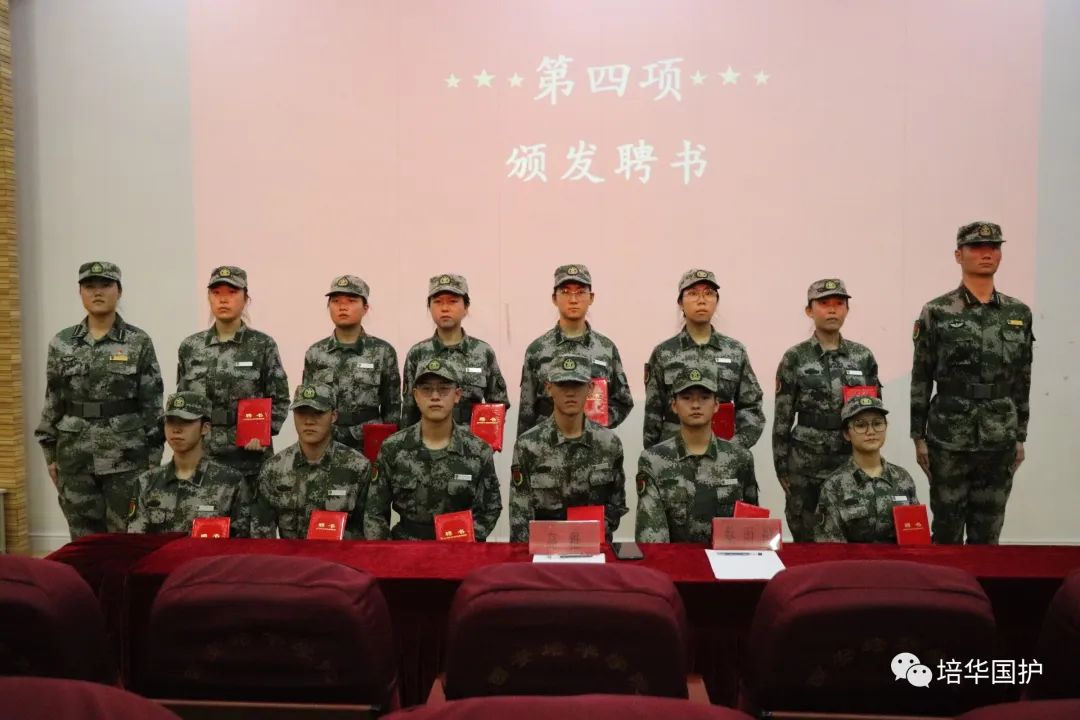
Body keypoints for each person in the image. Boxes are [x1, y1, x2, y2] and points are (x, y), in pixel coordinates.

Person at [911, 221, 1034, 544]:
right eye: (977, 248)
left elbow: (1023, 377)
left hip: (999, 433)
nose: (986, 253)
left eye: (993, 247)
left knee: (989, 531)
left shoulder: (1018, 312)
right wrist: (918, 437)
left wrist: (1020, 435)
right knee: (947, 529)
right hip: (948, 434)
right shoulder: (937, 311)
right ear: (958, 255)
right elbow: (921, 376)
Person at [35, 261, 164, 537]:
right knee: (83, 539)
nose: (97, 292)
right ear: (80, 292)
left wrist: (153, 460)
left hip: (126, 457)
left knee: (126, 536)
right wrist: (50, 454)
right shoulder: (62, 343)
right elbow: (53, 400)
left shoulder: (138, 341)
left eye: (105, 285)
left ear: (119, 291)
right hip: (74, 456)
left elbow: (152, 404)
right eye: (89, 286)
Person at [772, 278, 881, 541]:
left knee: (854, 533)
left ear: (847, 309)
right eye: (823, 303)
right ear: (809, 311)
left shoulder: (862, 357)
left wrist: (872, 458)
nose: (832, 309)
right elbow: (783, 417)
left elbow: (873, 413)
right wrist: (781, 466)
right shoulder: (795, 358)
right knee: (807, 534)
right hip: (806, 464)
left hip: (850, 462)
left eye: (839, 303)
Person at [176, 266, 290, 497]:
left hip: (249, 459)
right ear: (209, 297)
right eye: (216, 293)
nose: (223, 299)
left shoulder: (262, 345)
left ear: (246, 298)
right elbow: (183, 402)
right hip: (204, 456)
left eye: (232, 292)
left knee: (251, 518)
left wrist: (264, 433)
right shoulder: (191, 347)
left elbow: (280, 398)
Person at [364, 358, 502, 540]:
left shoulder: (478, 451)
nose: (435, 396)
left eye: (444, 389)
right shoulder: (393, 448)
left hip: (457, 547)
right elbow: (374, 512)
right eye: (426, 389)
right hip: (406, 546)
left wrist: (465, 540)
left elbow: (490, 508)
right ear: (415, 396)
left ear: (457, 395)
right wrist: (387, 551)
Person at [510, 353, 628, 542]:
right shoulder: (528, 445)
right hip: (544, 549)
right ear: (549, 388)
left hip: (593, 546)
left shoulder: (609, 444)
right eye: (562, 385)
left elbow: (616, 505)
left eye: (577, 385)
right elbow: (520, 516)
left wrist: (586, 537)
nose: (570, 393)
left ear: (590, 388)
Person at [643, 268, 764, 450]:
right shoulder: (664, 353)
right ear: (680, 303)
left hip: (722, 452)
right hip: (674, 454)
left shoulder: (734, 351)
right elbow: (653, 413)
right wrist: (655, 457)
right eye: (693, 293)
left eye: (709, 293)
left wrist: (734, 448)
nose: (701, 300)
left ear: (716, 301)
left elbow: (751, 406)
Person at [636, 367, 758, 543]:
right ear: (674, 405)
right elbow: (652, 536)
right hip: (674, 559)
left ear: (716, 405)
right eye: (686, 398)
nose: (695, 405)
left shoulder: (740, 458)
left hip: (727, 558)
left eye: (704, 398)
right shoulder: (654, 460)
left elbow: (751, 527)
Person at [517, 264, 633, 437]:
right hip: (547, 446)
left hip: (593, 446)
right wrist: (522, 453)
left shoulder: (606, 349)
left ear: (591, 298)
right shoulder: (537, 350)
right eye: (565, 292)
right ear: (554, 298)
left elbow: (623, 400)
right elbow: (526, 411)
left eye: (580, 292)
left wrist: (598, 423)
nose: (573, 299)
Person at [251, 384, 372, 539]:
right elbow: (261, 534)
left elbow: (368, 532)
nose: (308, 421)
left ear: (333, 416)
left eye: (318, 413)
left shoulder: (358, 468)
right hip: (291, 555)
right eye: (301, 413)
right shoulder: (274, 469)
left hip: (339, 554)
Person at [127, 391, 250, 536]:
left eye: (186, 422)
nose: (176, 429)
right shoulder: (147, 482)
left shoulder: (230, 483)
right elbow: (136, 542)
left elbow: (242, 543)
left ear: (205, 428)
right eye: (170, 421)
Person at [303, 275, 401, 452]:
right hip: (327, 440)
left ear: (365, 308)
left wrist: (389, 448)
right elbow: (308, 404)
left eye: (351, 300)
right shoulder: (316, 353)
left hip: (368, 440)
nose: (342, 307)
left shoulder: (382, 352)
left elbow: (392, 407)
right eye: (335, 301)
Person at [401, 273, 509, 426]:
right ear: (429, 307)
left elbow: (498, 406)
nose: (445, 308)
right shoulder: (417, 354)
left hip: (470, 438)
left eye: (452, 301)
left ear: (466, 307)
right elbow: (409, 410)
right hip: (429, 438)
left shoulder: (483, 352)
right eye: (438, 302)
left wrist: (484, 439)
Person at [815, 396, 918, 543]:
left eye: (877, 423)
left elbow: (915, 536)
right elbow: (831, 548)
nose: (871, 431)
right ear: (847, 433)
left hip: (899, 558)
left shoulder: (902, 478)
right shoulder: (834, 486)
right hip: (851, 559)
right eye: (861, 425)